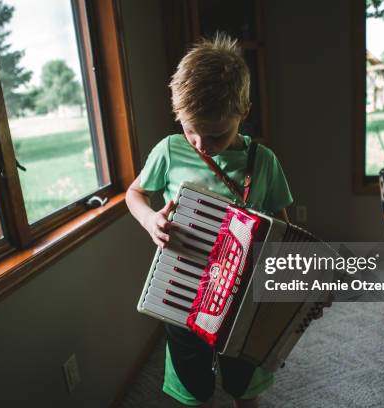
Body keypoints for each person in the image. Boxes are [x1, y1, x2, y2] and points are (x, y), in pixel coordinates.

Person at [125, 33, 293, 408]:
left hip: (244, 296)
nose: (201, 144)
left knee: (244, 385)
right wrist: (152, 219)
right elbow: (133, 194)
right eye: (190, 130)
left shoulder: (264, 161)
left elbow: (283, 229)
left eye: (216, 134)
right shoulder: (169, 150)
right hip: (182, 289)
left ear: (243, 113)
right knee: (191, 388)